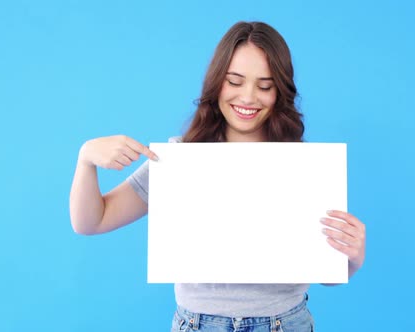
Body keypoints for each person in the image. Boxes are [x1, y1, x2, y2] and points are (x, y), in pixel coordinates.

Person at [70, 21, 366, 332]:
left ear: (280, 90)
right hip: (198, 325)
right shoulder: (179, 160)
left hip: (285, 323)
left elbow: (327, 274)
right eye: (234, 81)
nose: (248, 97)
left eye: (264, 86)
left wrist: (351, 259)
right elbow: (92, 221)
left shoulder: (304, 165)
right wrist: (86, 159)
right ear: (216, 83)